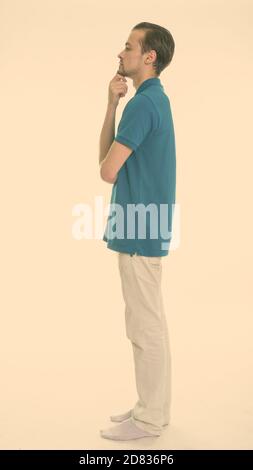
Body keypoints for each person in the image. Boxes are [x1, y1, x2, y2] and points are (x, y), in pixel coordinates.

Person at [99, 22, 176, 440]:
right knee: (150, 324)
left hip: (138, 229)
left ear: (150, 57)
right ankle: (153, 409)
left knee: (144, 328)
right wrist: (111, 104)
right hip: (143, 227)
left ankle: (148, 421)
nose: (122, 51)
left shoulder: (145, 105)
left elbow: (107, 170)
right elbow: (108, 161)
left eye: (129, 46)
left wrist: (118, 108)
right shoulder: (148, 100)